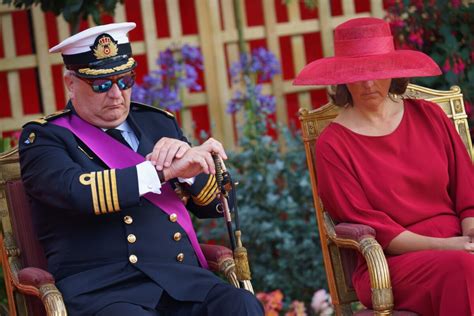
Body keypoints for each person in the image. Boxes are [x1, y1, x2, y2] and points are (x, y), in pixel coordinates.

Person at [19, 22, 263, 316]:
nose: (116, 94)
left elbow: (221, 205)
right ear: (70, 84)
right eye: (100, 84)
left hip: (179, 279)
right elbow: (77, 192)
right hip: (104, 291)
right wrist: (161, 173)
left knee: (242, 305)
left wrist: (190, 170)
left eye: (124, 80)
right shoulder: (45, 138)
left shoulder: (158, 123)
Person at [294, 17, 474, 315]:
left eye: (376, 71)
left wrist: (469, 234)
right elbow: (375, 230)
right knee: (463, 269)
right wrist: (450, 247)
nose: (367, 83)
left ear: (393, 69)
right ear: (342, 78)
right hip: (390, 264)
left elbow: (467, 192)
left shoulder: (430, 116)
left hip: (459, 245)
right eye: (357, 73)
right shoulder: (333, 145)